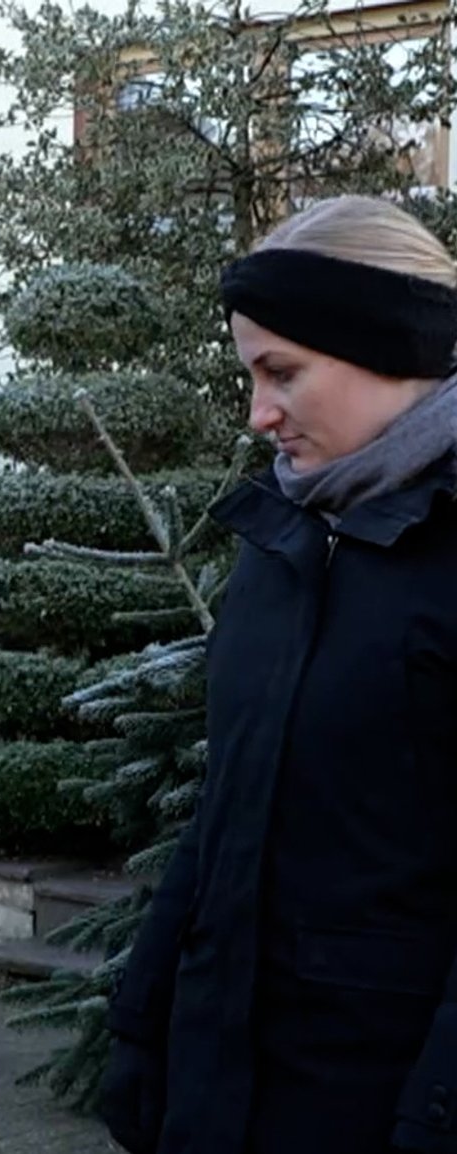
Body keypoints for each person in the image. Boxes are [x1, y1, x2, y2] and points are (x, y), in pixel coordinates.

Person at [96, 194, 457, 1154]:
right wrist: (142, 1022)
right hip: (230, 1088)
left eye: (281, 373)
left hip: (377, 1101)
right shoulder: (286, 532)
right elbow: (228, 808)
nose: (257, 414)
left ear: (388, 346)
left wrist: (434, 1116)